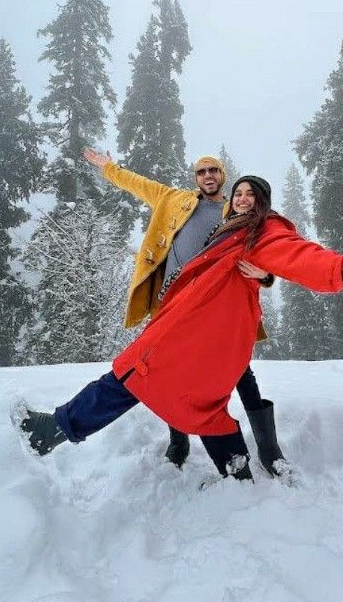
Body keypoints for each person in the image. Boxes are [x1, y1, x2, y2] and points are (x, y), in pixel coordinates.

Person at [20, 175, 343, 483]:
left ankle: (50, 430)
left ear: (263, 203)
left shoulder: (262, 229)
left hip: (194, 331)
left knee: (129, 375)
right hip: (207, 333)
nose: (244, 198)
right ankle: (237, 472)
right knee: (205, 404)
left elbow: (295, 253)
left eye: (253, 194)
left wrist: (342, 268)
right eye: (240, 193)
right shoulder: (230, 230)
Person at [81, 148, 288, 476]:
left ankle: (267, 446)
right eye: (202, 171)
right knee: (167, 372)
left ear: (223, 177)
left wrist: (266, 276)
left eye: (214, 171)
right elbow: (137, 183)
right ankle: (179, 441)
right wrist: (108, 168)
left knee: (240, 371)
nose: (208, 175)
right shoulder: (172, 199)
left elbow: (268, 253)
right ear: (195, 178)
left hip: (218, 311)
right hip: (171, 306)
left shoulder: (237, 211)